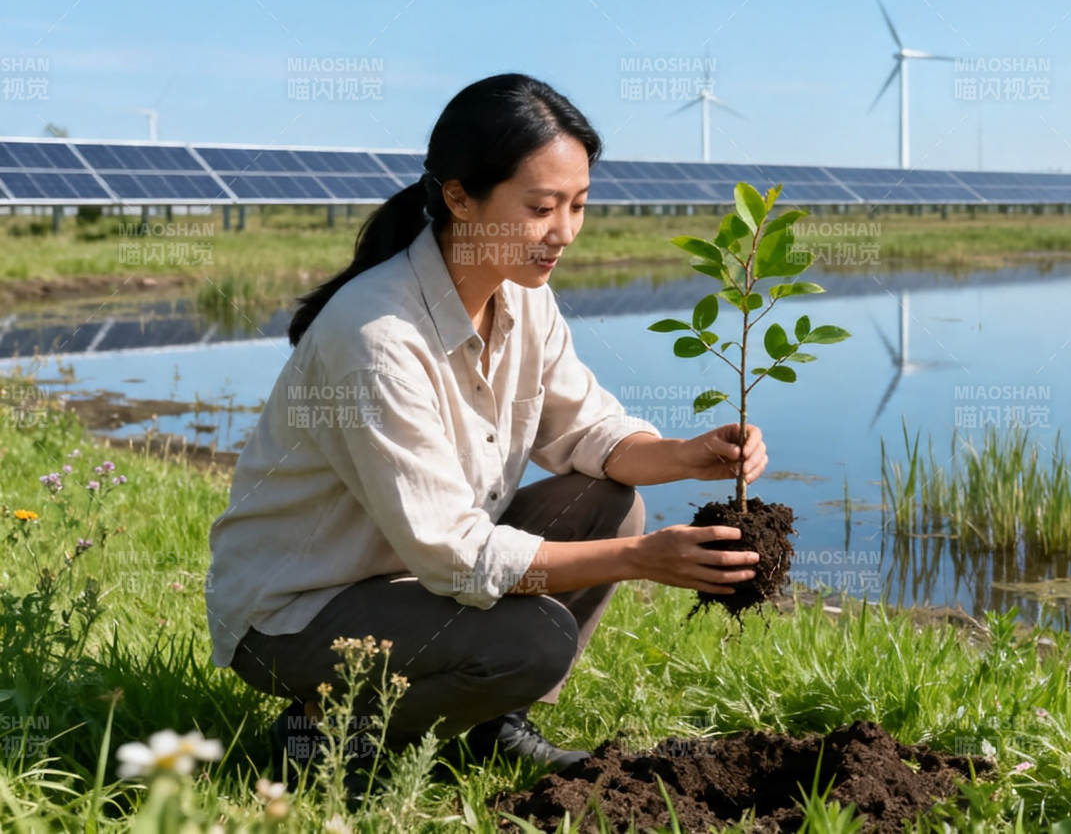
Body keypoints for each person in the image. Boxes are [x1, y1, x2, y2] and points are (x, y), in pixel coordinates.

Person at [204, 73, 768, 777]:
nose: (563, 232)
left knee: (608, 503)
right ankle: (321, 737)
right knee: (532, 640)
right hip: (298, 613)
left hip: (412, 586)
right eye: (540, 208)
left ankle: (485, 720)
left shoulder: (523, 299)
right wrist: (642, 561)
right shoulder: (376, 336)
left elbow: (587, 432)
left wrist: (688, 454)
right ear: (459, 197)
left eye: (578, 206)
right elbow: (457, 555)